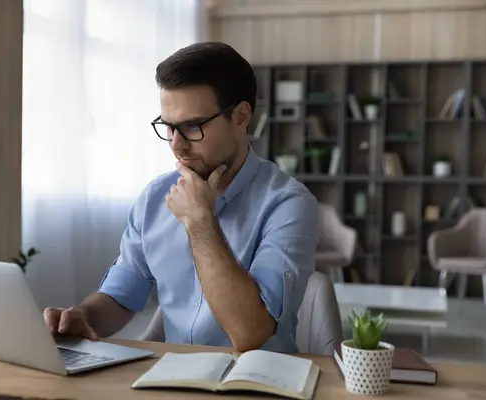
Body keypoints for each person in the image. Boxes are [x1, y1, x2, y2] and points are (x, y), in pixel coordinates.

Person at [44, 41, 319, 353]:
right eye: (169, 127)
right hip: (174, 379)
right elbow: (121, 295)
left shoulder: (289, 204)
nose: (176, 145)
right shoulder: (155, 198)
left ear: (241, 116)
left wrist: (200, 221)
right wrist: (84, 317)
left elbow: (250, 334)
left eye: (192, 126)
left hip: (256, 382)